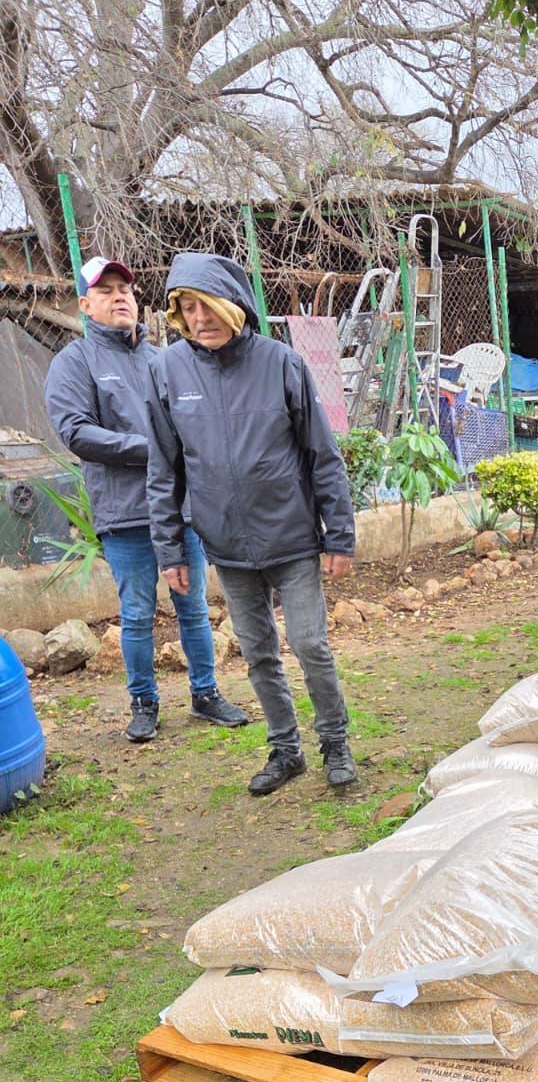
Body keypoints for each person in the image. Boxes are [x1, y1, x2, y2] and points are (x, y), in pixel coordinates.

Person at [144, 252, 357, 796]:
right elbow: (164, 467)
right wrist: (169, 550)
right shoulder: (168, 370)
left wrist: (339, 533)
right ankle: (286, 750)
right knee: (258, 652)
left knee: (310, 645)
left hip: (291, 538)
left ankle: (335, 743)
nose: (200, 318)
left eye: (208, 305)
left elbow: (321, 453)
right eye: (187, 308)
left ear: (234, 305)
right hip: (227, 546)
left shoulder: (281, 363)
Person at [43, 255, 248, 743]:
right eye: (107, 290)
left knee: (193, 605)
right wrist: (154, 451)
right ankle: (144, 703)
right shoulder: (74, 363)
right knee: (135, 612)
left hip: (180, 510)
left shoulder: (163, 358)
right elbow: (77, 432)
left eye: (127, 290)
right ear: (85, 304)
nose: (120, 297)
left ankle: (206, 694)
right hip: (126, 513)